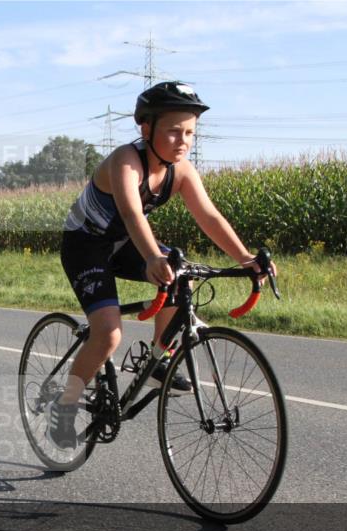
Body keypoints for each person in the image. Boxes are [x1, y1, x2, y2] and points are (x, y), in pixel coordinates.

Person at [47, 81, 277, 450]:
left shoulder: (181, 170)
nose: (183, 140)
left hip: (125, 244)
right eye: (173, 131)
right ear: (146, 128)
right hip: (86, 244)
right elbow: (131, 212)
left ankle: (158, 359)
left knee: (180, 275)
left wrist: (246, 259)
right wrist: (153, 256)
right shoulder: (125, 161)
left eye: (189, 132)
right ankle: (65, 404)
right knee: (108, 334)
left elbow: (209, 216)